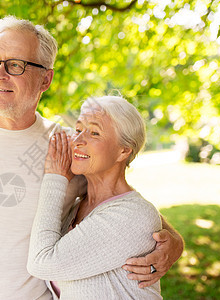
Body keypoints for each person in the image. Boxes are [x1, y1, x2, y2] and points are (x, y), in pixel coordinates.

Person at [0, 16, 184, 300]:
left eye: (15, 65)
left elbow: (122, 203)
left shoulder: (69, 147)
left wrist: (173, 242)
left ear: (45, 78)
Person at [28, 96, 164, 299]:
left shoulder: (133, 215)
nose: (78, 140)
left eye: (94, 132)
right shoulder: (77, 208)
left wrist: (55, 177)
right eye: (78, 129)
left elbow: (41, 263)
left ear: (123, 151)